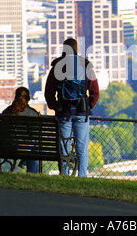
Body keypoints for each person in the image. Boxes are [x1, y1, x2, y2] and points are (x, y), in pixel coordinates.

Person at [45, 38, 99, 177]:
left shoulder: (57, 66)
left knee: (64, 147)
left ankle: (65, 174)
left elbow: (49, 92)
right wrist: (88, 106)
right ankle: (82, 176)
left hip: (63, 112)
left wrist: (55, 106)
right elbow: (95, 92)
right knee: (81, 148)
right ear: (77, 49)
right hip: (81, 112)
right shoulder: (85, 65)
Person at [2, 86, 40, 173]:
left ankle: (23, 161)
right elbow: (36, 135)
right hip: (25, 148)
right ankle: (31, 171)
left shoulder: (6, 111)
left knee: (30, 145)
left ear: (15, 97)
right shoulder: (33, 113)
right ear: (28, 98)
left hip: (7, 147)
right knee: (33, 145)